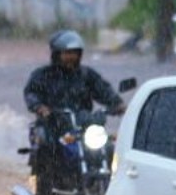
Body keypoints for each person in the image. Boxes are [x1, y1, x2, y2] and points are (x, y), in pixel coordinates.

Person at [22, 29, 124, 179]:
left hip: (84, 124)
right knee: (48, 148)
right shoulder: (43, 75)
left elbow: (103, 90)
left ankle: (109, 183)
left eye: (75, 53)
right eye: (67, 53)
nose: (71, 57)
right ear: (57, 54)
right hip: (54, 125)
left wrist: (118, 104)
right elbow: (31, 93)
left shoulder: (86, 75)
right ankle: (47, 191)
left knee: (108, 147)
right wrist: (40, 107)